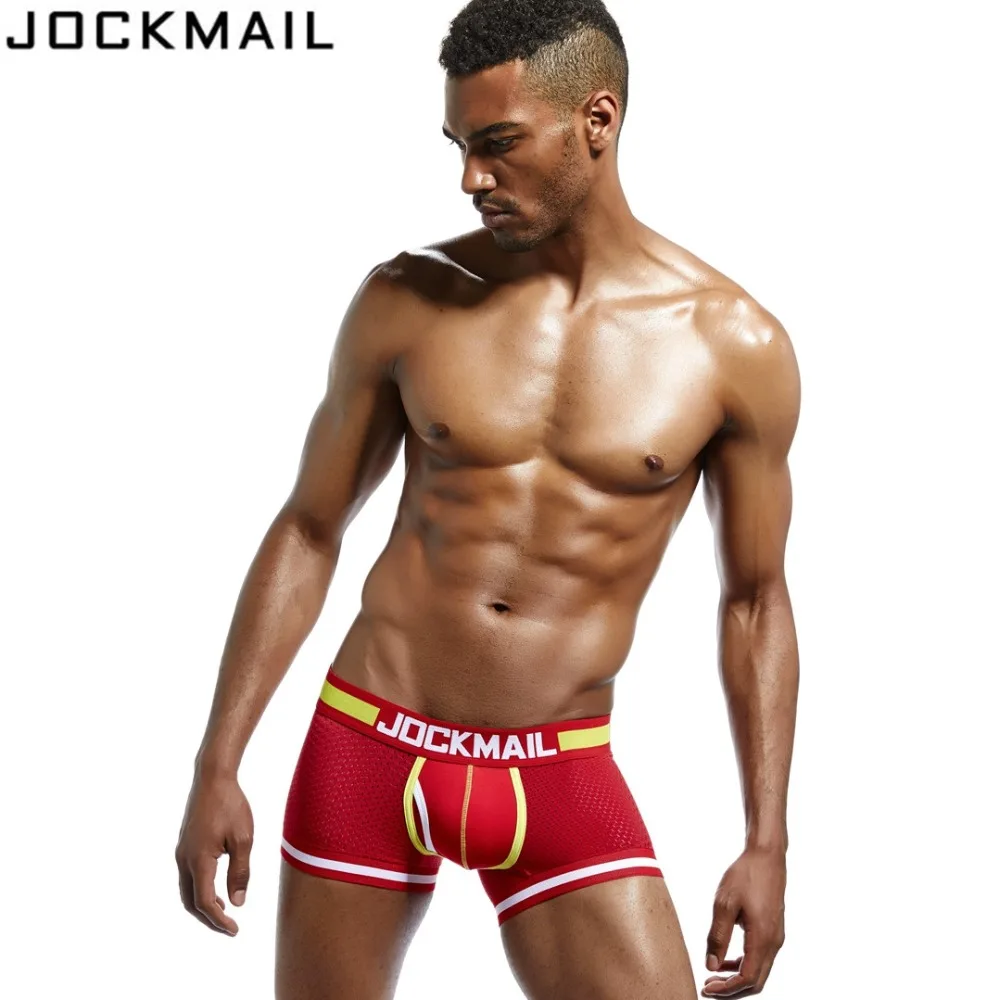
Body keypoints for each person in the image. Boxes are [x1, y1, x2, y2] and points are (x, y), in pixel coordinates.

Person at [175, 1, 800, 997]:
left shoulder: (732, 346)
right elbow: (309, 528)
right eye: (459, 146)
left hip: (558, 765)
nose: (471, 178)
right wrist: (218, 760)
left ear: (597, 120)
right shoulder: (407, 297)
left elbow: (755, 601)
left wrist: (766, 841)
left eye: (498, 144)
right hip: (368, 745)